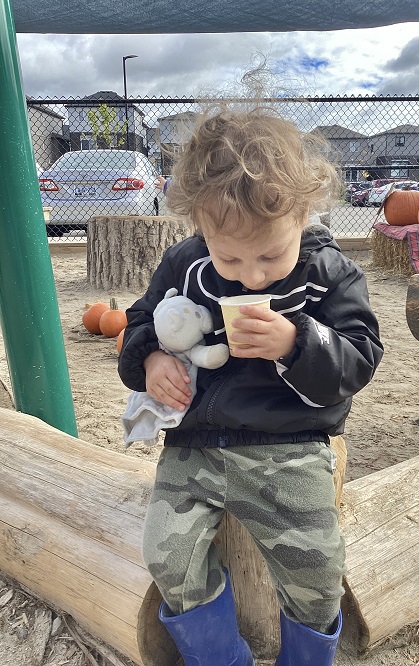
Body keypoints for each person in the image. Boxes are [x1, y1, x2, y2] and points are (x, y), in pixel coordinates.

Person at [118, 104, 383, 665]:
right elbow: (141, 321)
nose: (253, 274)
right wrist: (148, 363)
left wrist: (295, 342)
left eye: (269, 255)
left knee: (317, 570)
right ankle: (221, 658)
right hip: (196, 445)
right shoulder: (185, 264)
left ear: (303, 213)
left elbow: (360, 358)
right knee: (167, 557)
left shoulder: (327, 272)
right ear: (201, 227)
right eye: (229, 256)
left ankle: (304, 658)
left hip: (290, 446)